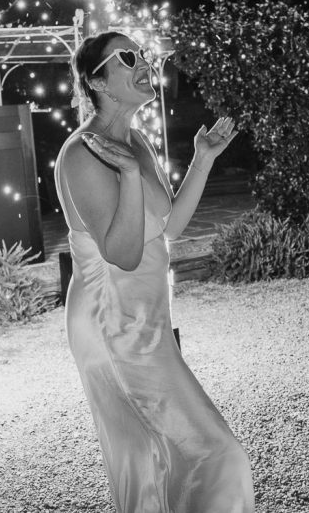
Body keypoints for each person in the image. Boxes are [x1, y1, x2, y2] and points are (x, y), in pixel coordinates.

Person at [55, 31, 254, 512]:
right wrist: (127, 176)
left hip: (147, 321)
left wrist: (203, 159)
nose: (144, 63)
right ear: (97, 82)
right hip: (111, 323)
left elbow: (167, 227)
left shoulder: (136, 139)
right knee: (212, 452)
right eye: (128, 57)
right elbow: (122, 254)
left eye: (143, 54)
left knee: (160, 459)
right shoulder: (81, 154)